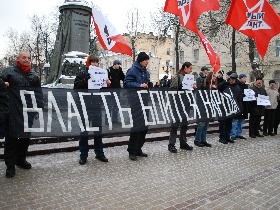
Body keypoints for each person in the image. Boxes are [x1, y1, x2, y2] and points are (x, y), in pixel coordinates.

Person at [0, 51, 40, 178]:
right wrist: (3, 84)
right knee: (11, 139)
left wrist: (38, 108)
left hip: (28, 112)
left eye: (28, 58)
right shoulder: (9, 72)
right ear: (18, 59)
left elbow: (38, 93)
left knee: (25, 138)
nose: (26, 60)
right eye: (24, 57)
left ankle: (20, 160)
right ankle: (10, 165)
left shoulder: (34, 75)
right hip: (12, 112)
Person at [74, 54, 110, 165]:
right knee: (84, 131)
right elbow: (76, 88)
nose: (95, 64)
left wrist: (108, 84)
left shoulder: (101, 74)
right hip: (84, 106)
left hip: (96, 105)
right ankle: (83, 155)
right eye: (93, 62)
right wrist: (85, 81)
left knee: (98, 131)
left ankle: (99, 153)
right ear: (89, 63)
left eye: (96, 62)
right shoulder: (81, 74)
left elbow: (103, 91)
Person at [124, 52, 150, 161]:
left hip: (144, 101)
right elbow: (126, 83)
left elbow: (147, 83)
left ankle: (139, 148)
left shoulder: (146, 72)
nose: (147, 62)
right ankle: (132, 150)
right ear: (140, 60)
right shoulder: (132, 70)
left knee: (144, 126)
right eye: (145, 60)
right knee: (136, 126)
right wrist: (139, 85)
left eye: (148, 60)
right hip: (135, 101)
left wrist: (149, 85)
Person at [168, 62, 196, 153]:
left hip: (186, 105)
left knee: (184, 125)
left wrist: (193, 88)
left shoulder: (189, 78)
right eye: (190, 68)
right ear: (185, 68)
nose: (191, 70)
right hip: (177, 105)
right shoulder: (178, 77)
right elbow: (172, 90)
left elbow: (190, 92)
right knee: (175, 125)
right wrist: (182, 87)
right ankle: (171, 144)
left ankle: (183, 142)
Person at [217, 72, 243, 144]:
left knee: (229, 123)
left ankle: (227, 136)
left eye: (232, 79)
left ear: (235, 80)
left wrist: (240, 108)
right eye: (230, 79)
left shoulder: (238, 88)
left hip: (231, 108)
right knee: (223, 123)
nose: (231, 80)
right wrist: (225, 82)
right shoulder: (225, 85)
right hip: (224, 107)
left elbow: (239, 99)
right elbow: (218, 87)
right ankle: (222, 137)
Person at [194, 71, 216, 147]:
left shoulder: (212, 86)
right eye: (213, 76)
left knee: (206, 124)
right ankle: (197, 140)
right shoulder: (203, 85)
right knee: (201, 124)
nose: (215, 78)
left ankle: (203, 140)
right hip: (202, 107)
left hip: (209, 107)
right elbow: (199, 95)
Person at [230, 73, 249, 140]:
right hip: (237, 104)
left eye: (245, 78)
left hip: (244, 104)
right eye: (244, 78)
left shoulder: (246, 86)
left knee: (241, 120)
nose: (245, 79)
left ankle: (239, 133)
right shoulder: (237, 85)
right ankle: (233, 134)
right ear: (240, 78)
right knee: (234, 120)